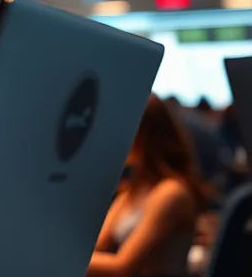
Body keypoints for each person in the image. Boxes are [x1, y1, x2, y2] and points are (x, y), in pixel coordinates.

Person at [88, 95, 208, 277]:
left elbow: (123, 267)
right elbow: (97, 246)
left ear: (142, 133)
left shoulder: (172, 193)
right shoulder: (132, 190)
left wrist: (55, 257)